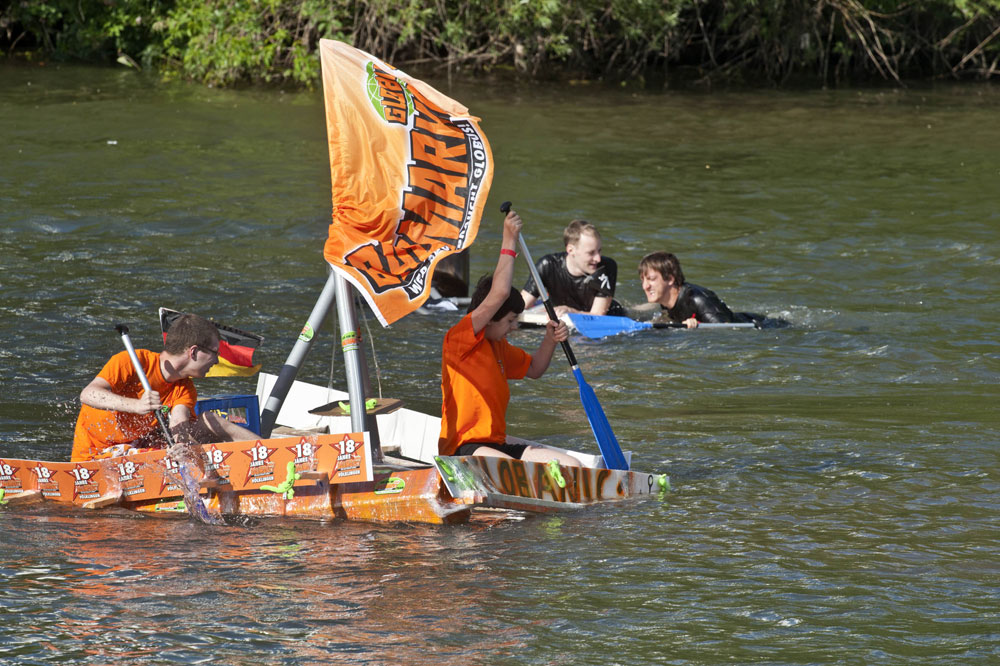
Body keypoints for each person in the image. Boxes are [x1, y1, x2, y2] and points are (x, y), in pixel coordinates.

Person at [438, 208, 580, 467]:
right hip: (463, 448)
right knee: (512, 470)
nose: (514, 327)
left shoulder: (500, 348)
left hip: (496, 445)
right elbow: (500, 292)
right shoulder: (460, 339)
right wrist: (509, 239)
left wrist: (550, 339)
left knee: (572, 465)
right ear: (490, 317)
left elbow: (536, 369)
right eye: (510, 321)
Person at [71, 313, 259, 462]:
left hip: (140, 446)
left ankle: (270, 453)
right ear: (193, 351)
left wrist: (182, 446)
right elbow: (88, 394)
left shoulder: (186, 387)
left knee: (209, 420)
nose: (217, 360)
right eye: (214, 353)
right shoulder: (133, 361)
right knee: (154, 454)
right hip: (96, 455)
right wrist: (136, 406)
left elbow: (179, 424)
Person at [520, 219, 625, 317]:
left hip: (609, 317)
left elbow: (597, 315)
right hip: (563, 316)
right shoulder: (548, 265)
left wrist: (571, 311)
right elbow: (521, 306)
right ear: (571, 250)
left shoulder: (606, 267)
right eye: (591, 253)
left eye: (599, 251)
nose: (598, 258)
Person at [638, 251, 759, 327]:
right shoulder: (665, 299)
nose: (645, 286)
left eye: (651, 279)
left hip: (761, 326)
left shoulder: (698, 300)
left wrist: (698, 329)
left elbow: (727, 331)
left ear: (670, 279)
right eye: (643, 280)